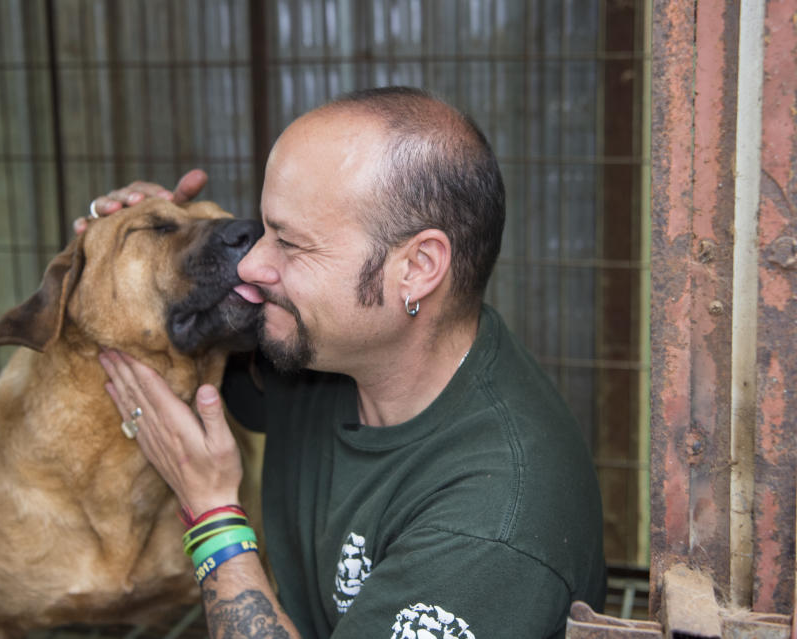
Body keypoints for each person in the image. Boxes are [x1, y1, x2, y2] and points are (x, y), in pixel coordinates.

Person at [93, 86, 605, 639]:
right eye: (265, 230)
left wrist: (213, 516)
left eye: (291, 244)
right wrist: (143, 241)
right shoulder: (334, 345)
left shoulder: (492, 525)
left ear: (416, 268)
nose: (254, 265)